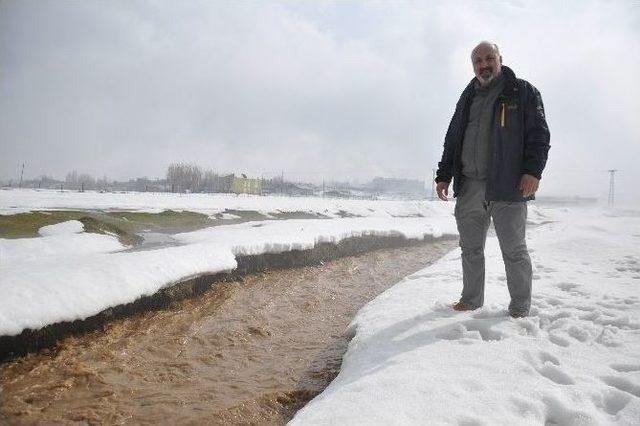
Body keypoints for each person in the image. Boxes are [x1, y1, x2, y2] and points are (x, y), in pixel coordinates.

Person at [435, 41, 550, 318]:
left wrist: (532, 172)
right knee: (470, 248)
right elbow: (453, 139)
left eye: (489, 58)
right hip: (470, 186)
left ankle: (520, 308)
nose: (483, 65)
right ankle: (471, 300)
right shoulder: (467, 97)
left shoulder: (522, 92)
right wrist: (444, 175)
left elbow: (539, 136)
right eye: (478, 61)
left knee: (514, 250)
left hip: (508, 186)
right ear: (473, 65)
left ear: (500, 59)